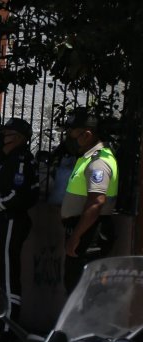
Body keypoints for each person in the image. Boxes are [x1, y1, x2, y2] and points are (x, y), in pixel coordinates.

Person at [0, 118, 38, 333]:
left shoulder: (21, 160)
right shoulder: (6, 160)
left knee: (6, 273)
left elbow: (17, 194)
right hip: (0, 221)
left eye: (8, 134)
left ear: (20, 138)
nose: (3, 137)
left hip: (12, 220)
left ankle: (8, 326)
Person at [59, 108, 118, 294]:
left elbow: (96, 202)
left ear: (87, 134)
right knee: (74, 287)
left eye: (72, 132)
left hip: (90, 234)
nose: (68, 137)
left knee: (83, 293)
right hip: (83, 230)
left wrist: (76, 236)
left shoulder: (99, 162)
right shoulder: (86, 158)